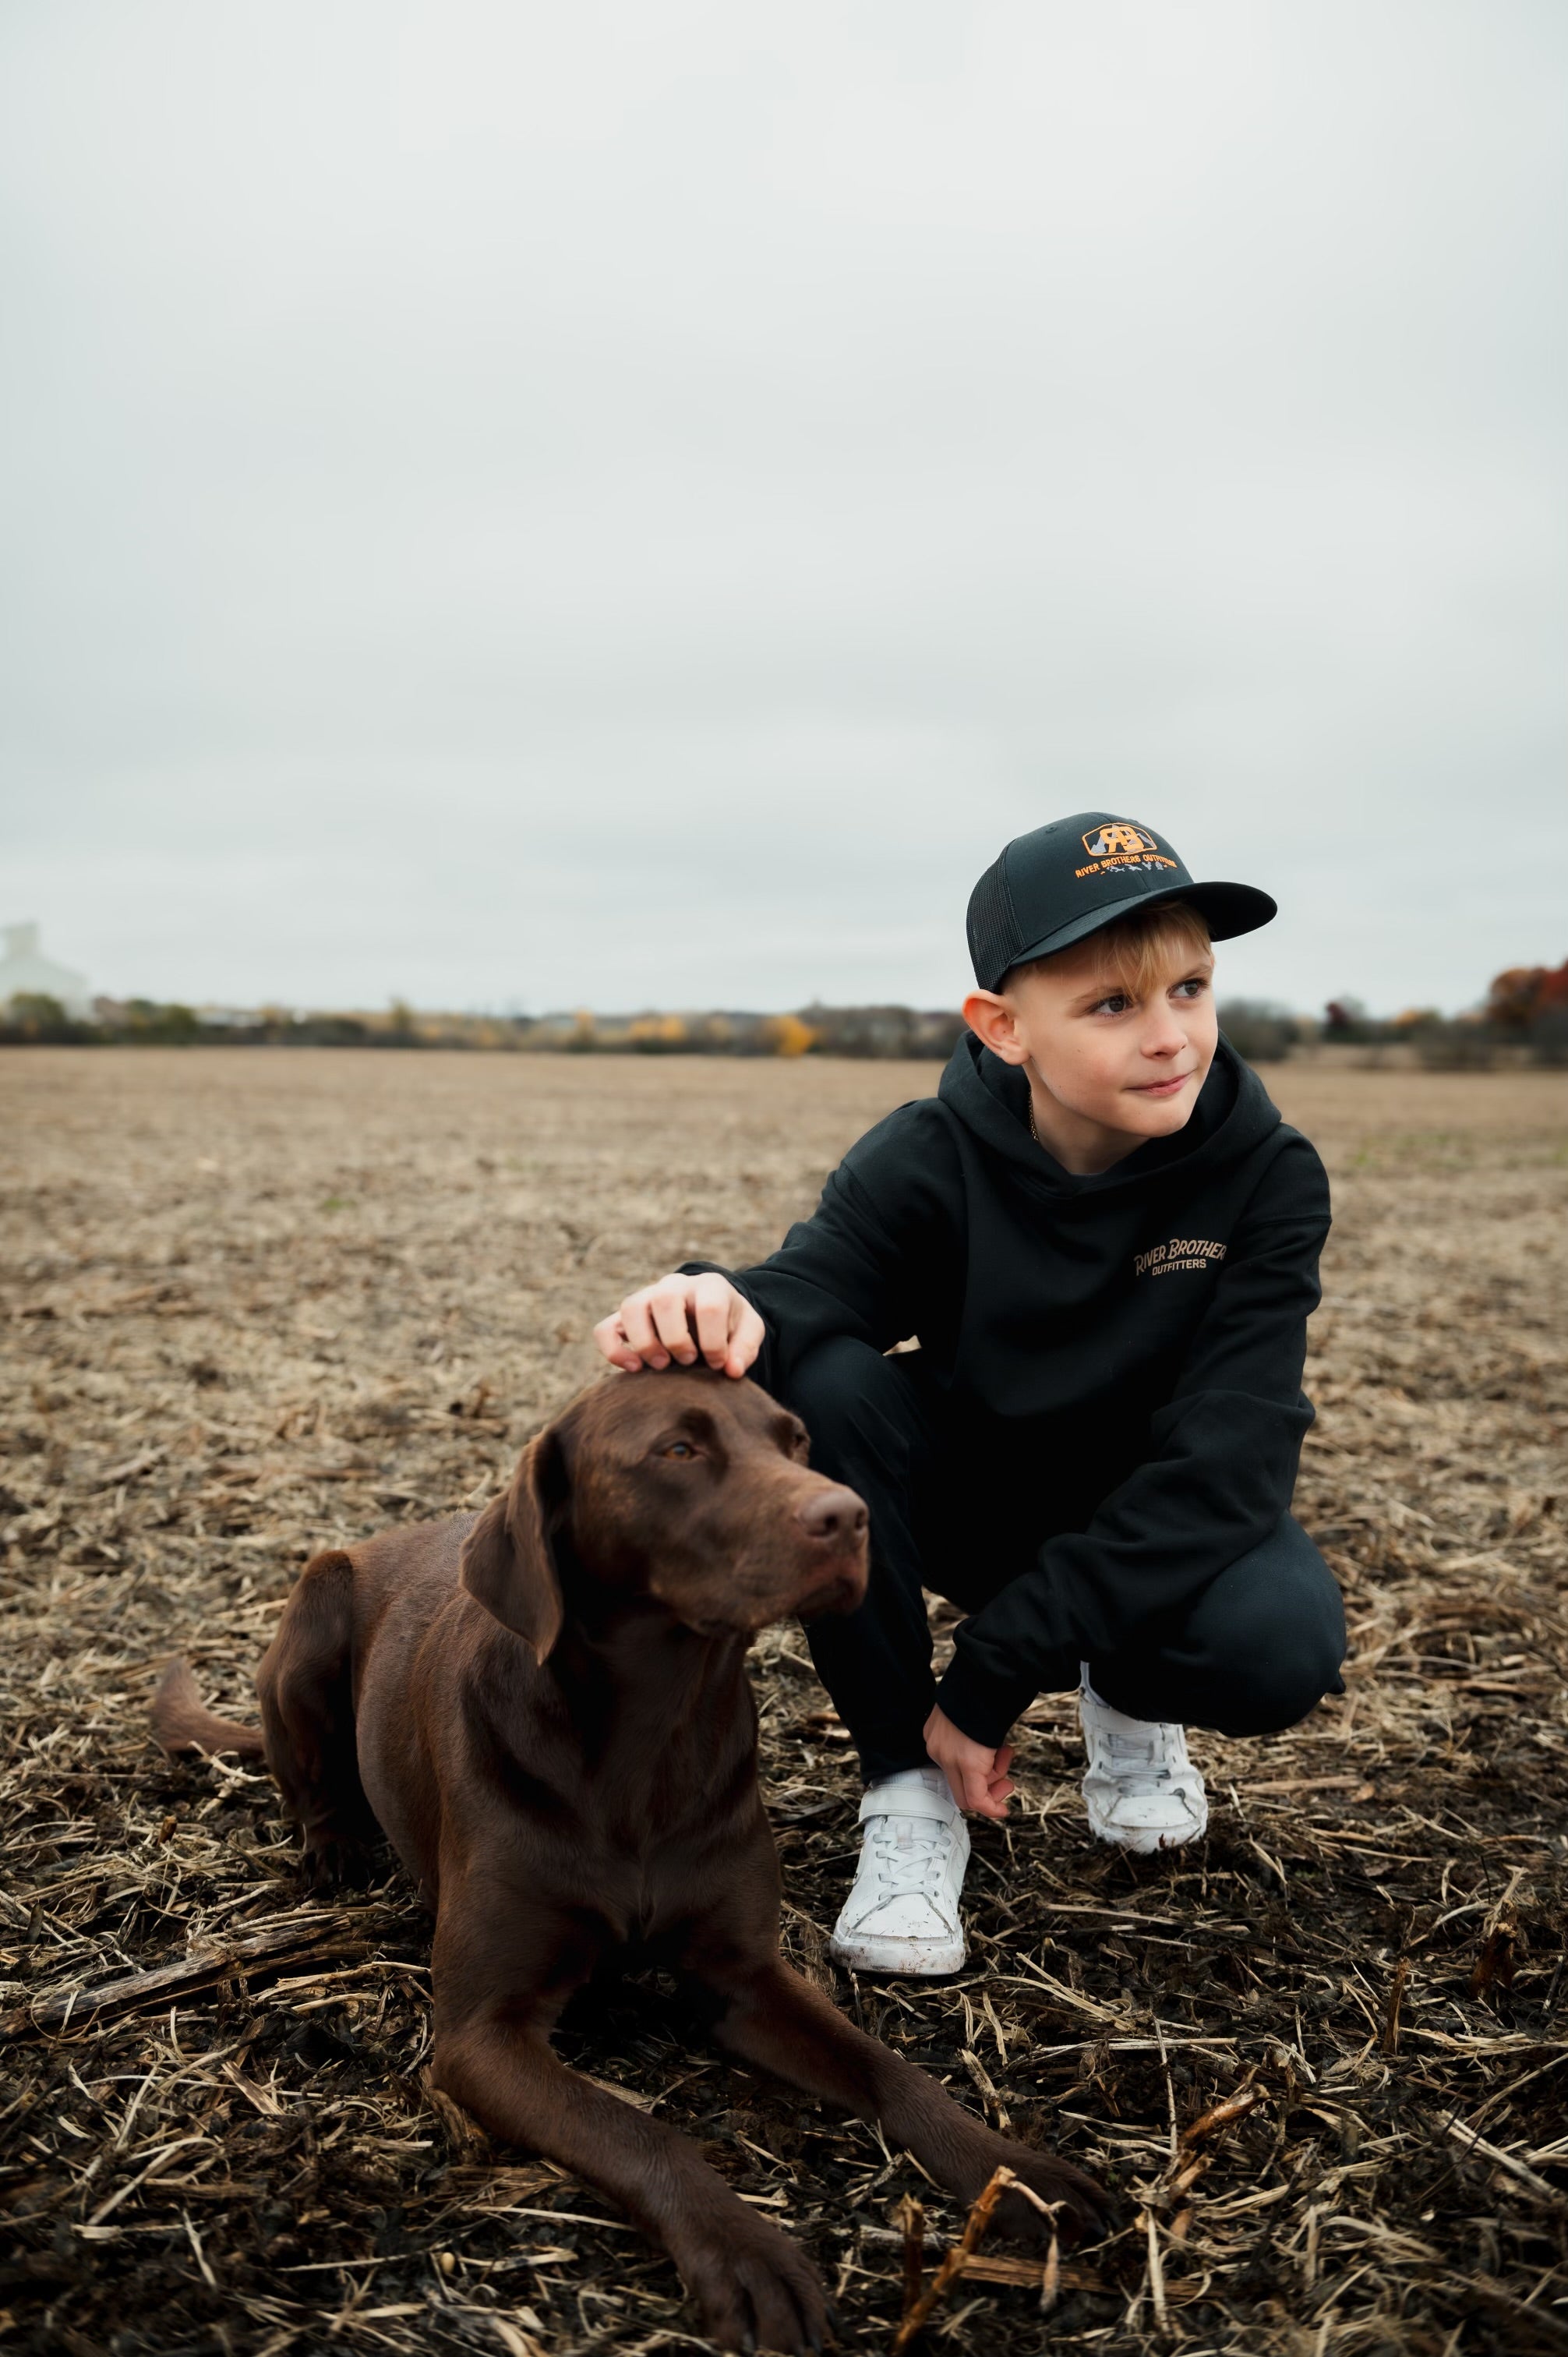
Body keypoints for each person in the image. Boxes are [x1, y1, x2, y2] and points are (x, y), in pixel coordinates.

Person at [593, 812, 1346, 1975]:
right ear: (1002, 1028)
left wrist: (993, 1675)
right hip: (969, 1498)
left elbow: (1232, 1465)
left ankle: (1133, 1702)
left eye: (1191, 988)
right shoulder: (926, 1157)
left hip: (1148, 1515)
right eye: (1114, 1004)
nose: (1171, 1037)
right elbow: (809, 1289)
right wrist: (703, 1296)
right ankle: (904, 1787)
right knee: (825, 1379)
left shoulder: (1266, 1175)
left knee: (1277, 1638)